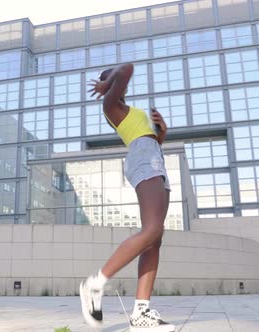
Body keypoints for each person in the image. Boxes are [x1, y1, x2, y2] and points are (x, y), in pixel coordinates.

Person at [79, 63, 175, 332]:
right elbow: (128, 68)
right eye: (110, 76)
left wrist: (162, 133)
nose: (118, 79)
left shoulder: (128, 110)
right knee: (152, 230)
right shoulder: (111, 105)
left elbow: (151, 140)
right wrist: (108, 81)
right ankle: (94, 284)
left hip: (153, 156)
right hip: (144, 158)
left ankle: (141, 313)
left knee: (155, 238)